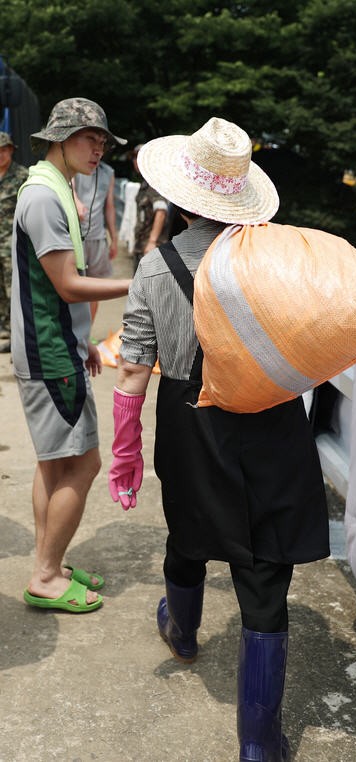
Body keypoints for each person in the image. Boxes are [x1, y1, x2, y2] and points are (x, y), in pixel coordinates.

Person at [109, 117, 330, 760]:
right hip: (268, 416)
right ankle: (259, 742)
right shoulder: (272, 263)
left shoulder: (154, 268)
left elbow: (132, 366)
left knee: (189, 531)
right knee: (263, 572)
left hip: (188, 417)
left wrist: (125, 450)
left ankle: (181, 629)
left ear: (177, 201)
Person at [10, 97, 131, 614]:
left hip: (54, 344)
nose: (98, 148)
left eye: (102, 140)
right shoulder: (44, 197)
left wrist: (82, 340)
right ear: (59, 138)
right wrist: (140, 283)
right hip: (49, 352)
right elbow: (65, 284)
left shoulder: (53, 187)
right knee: (84, 465)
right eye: (89, 138)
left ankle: (50, 563)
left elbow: (49, 284)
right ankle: (44, 576)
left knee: (54, 465)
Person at [73, 160, 118, 322]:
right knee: (74, 288)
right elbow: (69, 188)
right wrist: (76, 201)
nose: (97, 150)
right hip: (75, 237)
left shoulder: (108, 172)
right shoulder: (76, 167)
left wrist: (114, 239)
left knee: (94, 290)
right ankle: (75, 332)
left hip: (98, 237)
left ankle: (87, 333)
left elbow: (110, 206)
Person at [0, 132, 28, 352]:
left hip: (11, 242)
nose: (0, 155)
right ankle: (4, 329)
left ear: (11, 150)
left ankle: (17, 336)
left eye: (4, 150)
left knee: (13, 290)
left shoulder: (22, 176)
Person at [131, 143, 169, 273]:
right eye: (134, 157)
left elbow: (161, 212)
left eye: (140, 157)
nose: (136, 161)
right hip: (141, 244)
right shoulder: (145, 184)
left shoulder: (155, 183)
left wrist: (152, 241)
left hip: (151, 248)